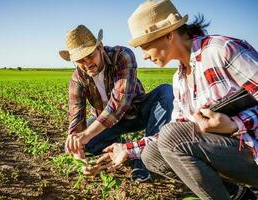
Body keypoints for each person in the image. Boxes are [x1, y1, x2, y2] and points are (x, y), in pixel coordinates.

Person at [96, 0, 258, 199]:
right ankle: (238, 195)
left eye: (145, 46)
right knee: (152, 155)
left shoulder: (221, 50)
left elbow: (174, 136)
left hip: (252, 150)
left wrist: (235, 124)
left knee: (171, 136)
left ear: (168, 34)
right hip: (230, 154)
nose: (144, 56)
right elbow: (175, 134)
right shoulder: (179, 79)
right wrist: (127, 150)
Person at [59, 24, 174, 182]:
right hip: (106, 123)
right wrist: (81, 161)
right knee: (71, 146)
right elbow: (76, 124)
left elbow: (118, 105)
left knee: (166, 92)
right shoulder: (77, 80)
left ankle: (143, 159)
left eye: (90, 55)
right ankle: (123, 147)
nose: (87, 64)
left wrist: (85, 135)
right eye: (80, 60)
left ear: (99, 47)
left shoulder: (122, 56)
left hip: (137, 112)